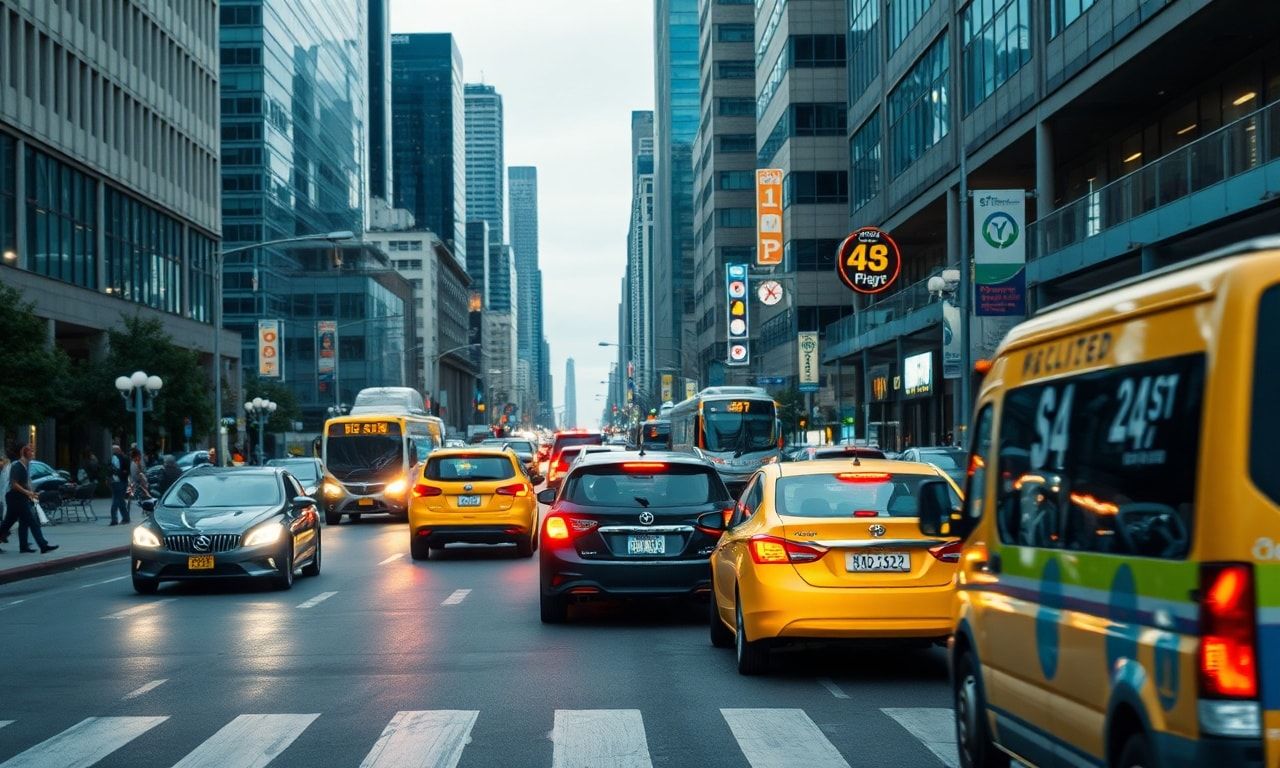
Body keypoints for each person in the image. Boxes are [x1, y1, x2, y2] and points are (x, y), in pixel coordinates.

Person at [0, 444, 57, 554]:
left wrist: (32, 493)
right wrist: (28, 492)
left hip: (19, 497)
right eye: (31, 451)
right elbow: (14, 484)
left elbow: (26, 482)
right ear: (25, 453)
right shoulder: (17, 466)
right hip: (14, 497)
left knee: (13, 522)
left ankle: (24, 546)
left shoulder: (26, 465)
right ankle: (43, 545)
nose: (33, 453)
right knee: (32, 521)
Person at [109, 443, 129, 525]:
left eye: (113, 450)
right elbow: (126, 471)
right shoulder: (124, 458)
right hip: (122, 481)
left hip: (117, 481)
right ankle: (125, 518)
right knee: (120, 500)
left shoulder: (115, 458)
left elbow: (112, 470)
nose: (112, 452)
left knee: (116, 500)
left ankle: (115, 519)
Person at [128, 447, 150, 514]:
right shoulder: (138, 462)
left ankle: (128, 510)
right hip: (139, 482)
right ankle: (146, 511)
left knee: (131, 497)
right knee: (145, 496)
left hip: (134, 482)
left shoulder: (133, 462)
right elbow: (141, 472)